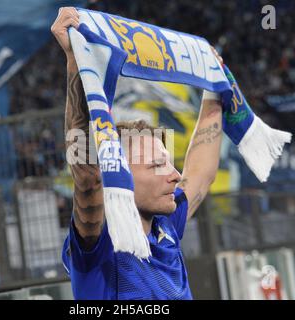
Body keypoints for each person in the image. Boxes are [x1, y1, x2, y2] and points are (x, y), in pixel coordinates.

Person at [52, 7, 224, 300]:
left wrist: (214, 87)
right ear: (119, 175)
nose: (175, 175)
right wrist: (75, 62)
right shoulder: (100, 244)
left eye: (168, 162)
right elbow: (87, 176)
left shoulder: (165, 225)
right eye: (158, 165)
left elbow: (201, 172)